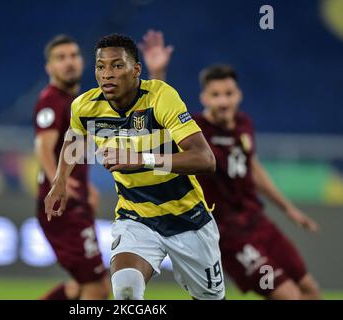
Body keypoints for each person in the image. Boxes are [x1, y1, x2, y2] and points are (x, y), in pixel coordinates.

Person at [139, 30, 321, 299]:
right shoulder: (197, 129)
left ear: (239, 95)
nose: (223, 101)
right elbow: (160, 120)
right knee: (289, 295)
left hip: (259, 222)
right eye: (215, 95)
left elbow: (253, 169)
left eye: (228, 93)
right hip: (228, 234)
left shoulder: (245, 125)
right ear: (204, 99)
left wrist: (288, 209)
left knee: (310, 289)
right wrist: (158, 75)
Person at [45, 33, 226, 300]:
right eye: (100, 66)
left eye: (117, 65)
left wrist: (141, 160)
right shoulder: (85, 107)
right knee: (127, 290)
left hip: (188, 219)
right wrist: (59, 181)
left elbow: (205, 160)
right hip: (136, 217)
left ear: (136, 69)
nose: (107, 74)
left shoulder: (161, 97)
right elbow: (74, 138)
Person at [33, 34, 110, 300]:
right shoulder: (51, 100)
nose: (69, 62)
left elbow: (71, 156)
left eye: (73, 56)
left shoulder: (75, 103)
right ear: (49, 68)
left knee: (81, 286)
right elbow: (43, 147)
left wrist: (86, 186)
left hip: (74, 203)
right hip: (62, 207)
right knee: (97, 289)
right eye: (60, 58)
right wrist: (60, 184)